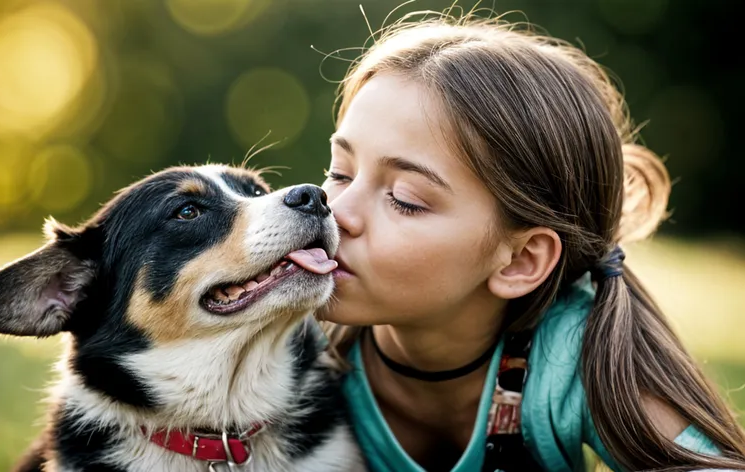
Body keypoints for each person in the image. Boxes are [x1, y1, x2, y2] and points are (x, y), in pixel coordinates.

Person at [315, 9, 745, 472]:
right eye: (341, 172)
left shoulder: (575, 356)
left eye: (405, 199)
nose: (336, 213)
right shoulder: (285, 341)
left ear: (520, 259)